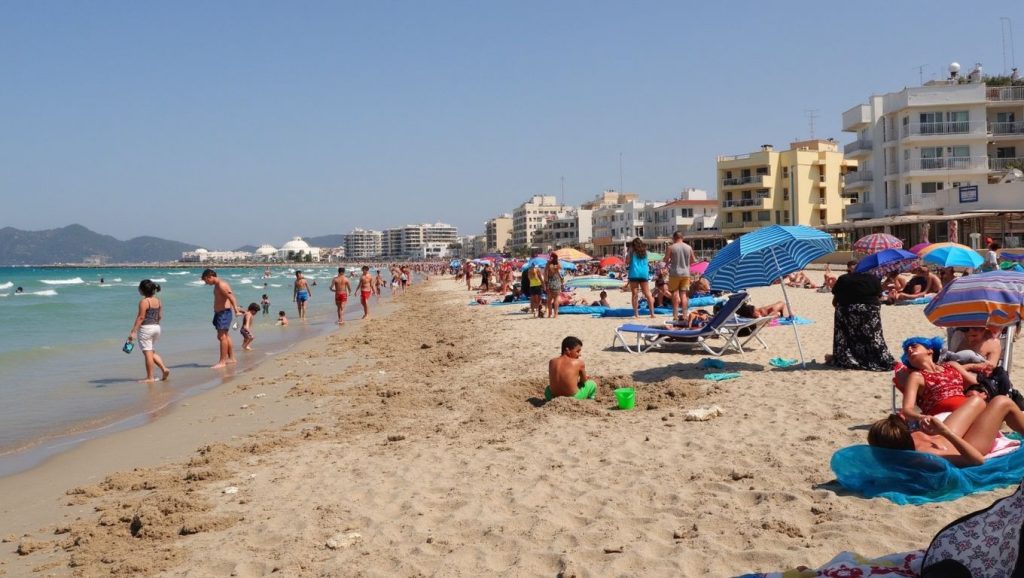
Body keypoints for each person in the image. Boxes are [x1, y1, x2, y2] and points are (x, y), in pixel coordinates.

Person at [868, 395, 1024, 467]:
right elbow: (977, 460)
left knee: (976, 400)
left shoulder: (906, 438)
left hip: (945, 436)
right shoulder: (926, 458)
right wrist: (945, 432)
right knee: (1002, 402)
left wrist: (926, 425)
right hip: (968, 447)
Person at [897, 336, 986, 420]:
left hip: (967, 410)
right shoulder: (916, 376)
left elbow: (978, 385)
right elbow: (907, 410)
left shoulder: (952, 365)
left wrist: (976, 393)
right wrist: (923, 418)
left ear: (930, 351)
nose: (909, 349)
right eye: (906, 351)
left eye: (914, 346)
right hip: (942, 419)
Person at [826, 265, 895, 371]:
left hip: (847, 309)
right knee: (872, 336)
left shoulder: (844, 278)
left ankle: (847, 358)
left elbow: (836, 300)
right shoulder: (873, 279)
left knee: (845, 335)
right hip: (869, 310)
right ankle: (876, 358)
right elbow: (879, 296)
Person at [127, 279, 170, 382]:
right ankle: (164, 369)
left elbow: (141, 317)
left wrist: (133, 332)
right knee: (151, 352)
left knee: (147, 353)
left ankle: (150, 377)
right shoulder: (158, 301)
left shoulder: (144, 302)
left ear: (142, 290)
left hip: (146, 329)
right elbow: (160, 316)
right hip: (156, 328)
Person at [201, 269, 243, 369]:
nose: (206, 283)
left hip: (224, 313)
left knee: (222, 336)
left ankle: (222, 361)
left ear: (209, 277)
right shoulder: (217, 285)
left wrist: (236, 310)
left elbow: (232, 297)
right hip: (220, 313)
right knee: (225, 336)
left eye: (205, 281)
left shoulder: (221, 285)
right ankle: (231, 358)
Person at [546, 336, 597, 401]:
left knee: (548, 389)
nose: (579, 354)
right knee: (592, 384)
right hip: (573, 398)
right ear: (567, 350)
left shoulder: (552, 361)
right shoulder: (579, 362)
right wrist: (583, 378)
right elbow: (584, 381)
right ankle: (590, 401)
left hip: (552, 397)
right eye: (577, 351)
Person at [664, 231, 696, 320]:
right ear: (682, 238)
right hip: (686, 273)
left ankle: (675, 315)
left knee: (675, 293)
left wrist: (670, 260)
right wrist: (685, 262)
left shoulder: (671, 247)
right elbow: (693, 260)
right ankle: (685, 315)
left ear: (674, 238)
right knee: (684, 295)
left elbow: (666, 259)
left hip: (674, 273)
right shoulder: (688, 247)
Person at [627, 237, 656, 319]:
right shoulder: (645, 252)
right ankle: (652, 314)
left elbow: (627, 261)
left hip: (634, 273)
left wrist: (629, 252)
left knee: (635, 294)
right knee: (648, 293)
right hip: (644, 273)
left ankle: (636, 314)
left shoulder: (631, 251)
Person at [543, 253, 563, 318]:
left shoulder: (548, 264)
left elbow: (545, 273)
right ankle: (556, 314)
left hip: (550, 282)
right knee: (556, 299)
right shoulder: (558, 264)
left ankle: (550, 314)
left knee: (549, 299)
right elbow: (560, 270)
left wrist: (545, 283)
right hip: (557, 281)